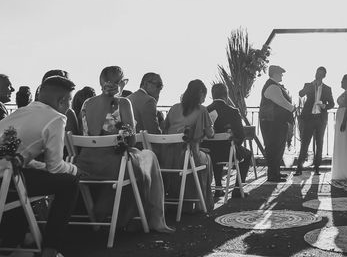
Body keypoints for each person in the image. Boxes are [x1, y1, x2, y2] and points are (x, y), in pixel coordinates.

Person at [76, 66, 173, 233]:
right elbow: (131, 140)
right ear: (120, 83)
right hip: (114, 166)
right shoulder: (123, 103)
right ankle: (152, 219)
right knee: (148, 157)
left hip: (84, 164)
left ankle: (106, 209)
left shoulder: (86, 103)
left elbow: (85, 134)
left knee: (136, 161)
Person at [0, 76, 80, 257]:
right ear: (61, 101)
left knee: (24, 180)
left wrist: (39, 165)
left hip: (5, 177)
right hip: (6, 180)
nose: (69, 106)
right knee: (70, 182)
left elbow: (19, 154)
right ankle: (51, 248)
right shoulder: (56, 118)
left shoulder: (19, 112)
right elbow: (56, 166)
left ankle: (15, 239)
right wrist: (75, 169)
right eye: (69, 100)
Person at [160, 80, 214, 208]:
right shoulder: (202, 110)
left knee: (198, 156)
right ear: (201, 93)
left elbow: (165, 129)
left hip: (166, 158)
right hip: (187, 157)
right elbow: (210, 134)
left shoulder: (174, 108)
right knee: (206, 159)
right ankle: (198, 202)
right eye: (204, 95)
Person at [204, 83, 251, 198]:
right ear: (226, 95)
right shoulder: (233, 111)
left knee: (216, 151)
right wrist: (235, 143)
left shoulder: (204, 110)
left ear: (212, 95)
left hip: (207, 152)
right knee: (247, 154)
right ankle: (237, 188)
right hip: (227, 151)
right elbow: (240, 135)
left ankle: (219, 188)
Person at [295, 66, 334, 176]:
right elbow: (301, 93)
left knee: (319, 144)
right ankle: (299, 168)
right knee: (304, 144)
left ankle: (317, 168)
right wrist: (310, 86)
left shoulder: (327, 88)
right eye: (317, 72)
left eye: (321, 73)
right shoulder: (308, 85)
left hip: (320, 119)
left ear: (324, 76)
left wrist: (324, 106)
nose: (318, 75)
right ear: (315, 73)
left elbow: (332, 103)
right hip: (309, 118)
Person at [259, 65, 294, 182]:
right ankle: (273, 175)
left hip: (276, 122)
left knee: (278, 148)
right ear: (274, 74)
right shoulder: (272, 86)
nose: (282, 75)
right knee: (273, 148)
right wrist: (293, 108)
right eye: (280, 73)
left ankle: (276, 173)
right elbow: (282, 102)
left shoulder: (274, 85)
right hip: (271, 123)